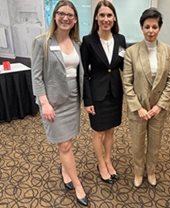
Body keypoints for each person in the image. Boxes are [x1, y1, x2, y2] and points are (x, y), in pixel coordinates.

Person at [31, 0, 88, 206]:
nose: (65, 17)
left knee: (69, 141)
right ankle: (77, 184)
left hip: (73, 99)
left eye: (70, 15)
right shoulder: (42, 42)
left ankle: (65, 169)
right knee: (64, 144)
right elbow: (36, 76)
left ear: (74, 20)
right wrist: (44, 103)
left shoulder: (77, 44)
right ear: (54, 16)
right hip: (53, 102)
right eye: (61, 13)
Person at [123, 8, 170, 187]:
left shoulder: (168, 51)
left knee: (155, 144)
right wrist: (138, 107)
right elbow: (127, 83)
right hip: (138, 108)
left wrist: (159, 106)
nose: (150, 30)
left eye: (154, 27)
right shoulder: (131, 52)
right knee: (137, 144)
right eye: (147, 27)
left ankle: (151, 171)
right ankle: (138, 172)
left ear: (159, 28)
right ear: (141, 28)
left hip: (158, 109)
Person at [80, 0, 126, 184]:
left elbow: (124, 66)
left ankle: (108, 159)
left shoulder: (121, 39)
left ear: (114, 18)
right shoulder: (88, 41)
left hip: (115, 92)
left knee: (111, 130)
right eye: (102, 15)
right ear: (96, 18)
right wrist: (87, 100)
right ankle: (101, 164)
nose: (106, 19)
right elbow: (83, 73)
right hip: (96, 94)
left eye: (109, 15)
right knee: (98, 132)